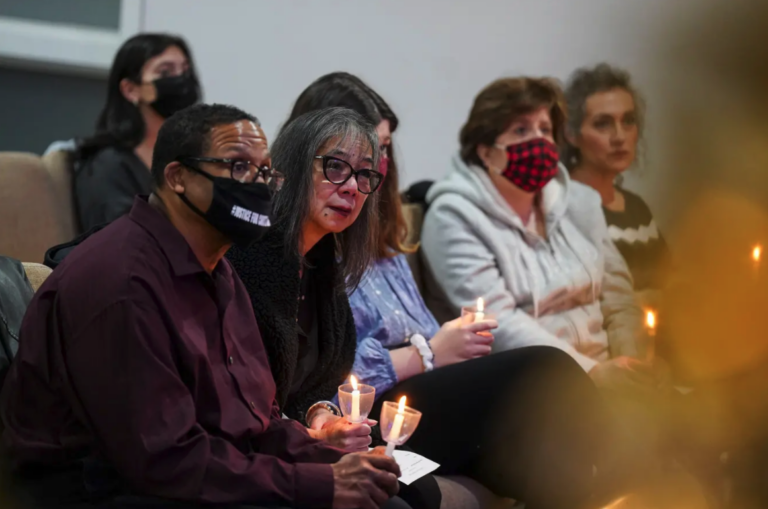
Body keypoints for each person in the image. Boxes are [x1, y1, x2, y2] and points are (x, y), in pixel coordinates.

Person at [0, 103, 408, 509]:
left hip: (188, 472)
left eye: (265, 172)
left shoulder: (218, 271)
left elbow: (253, 423)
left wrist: (334, 459)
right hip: (102, 490)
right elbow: (165, 460)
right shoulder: (122, 282)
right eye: (238, 168)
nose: (259, 185)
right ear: (178, 177)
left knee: (387, 496)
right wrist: (321, 483)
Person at [73, 33, 202, 232]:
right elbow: (117, 241)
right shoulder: (108, 165)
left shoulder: (196, 154)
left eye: (185, 70)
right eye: (165, 72)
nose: (181, 80)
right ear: (131, 90)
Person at [562, 63, 671, 295]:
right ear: (572, 135)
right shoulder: (561, 209)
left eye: (628, 121)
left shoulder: (636, 208)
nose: (620, 136)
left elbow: (670, 282)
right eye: (603, 124)